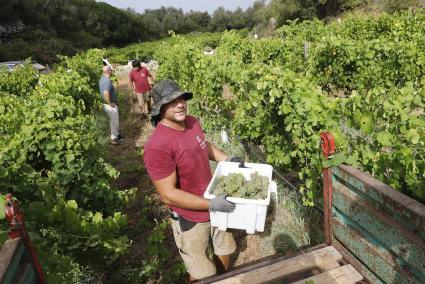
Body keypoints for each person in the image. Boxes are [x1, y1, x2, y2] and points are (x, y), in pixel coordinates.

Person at [143, 80, 240, 281]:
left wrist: (227, 159)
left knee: (225, 248)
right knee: (200, 270)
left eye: (181, 99)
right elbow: (167, 195)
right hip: (191, 217)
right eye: (172, 101)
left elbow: (203, 144)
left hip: (214, 200)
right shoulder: (158, 146)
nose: (180, 104)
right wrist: (212, 204)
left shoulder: (192, 122)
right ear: (160, 108)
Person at [99, 65, 123, 145]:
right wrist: (110, 103)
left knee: (114, 121)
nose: (112, 72)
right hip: (110, 105)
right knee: (114, 122)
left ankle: (117, 135)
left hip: (104, 104)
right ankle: (114, 139)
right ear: (109, 71)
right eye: (111, 70)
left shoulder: (101, 79)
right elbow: (106, 92)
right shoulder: (107, 81)